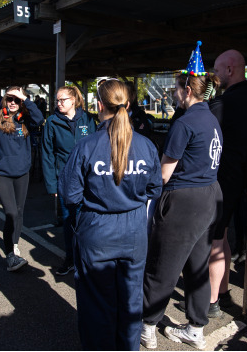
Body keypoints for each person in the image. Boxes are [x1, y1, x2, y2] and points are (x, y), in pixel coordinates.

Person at [59, 79, 162, 350]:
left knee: (97, 307)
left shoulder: (86, 146)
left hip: (97, 231)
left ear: (99, 105)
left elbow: (70, 195)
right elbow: (155, 187)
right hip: (135, 231)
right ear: (128, 105)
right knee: (130, 303)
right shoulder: (146, 146)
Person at [141, 41, 223, 350]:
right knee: (197, 266)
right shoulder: (212, 119)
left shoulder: (185, 122)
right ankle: (195, 328)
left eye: (177, 89)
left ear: (187, 90)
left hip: (184, 201)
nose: (175, 94)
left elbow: (163, 174)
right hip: (210, 197)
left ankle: (147, 327)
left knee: (163, 266)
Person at [198, 49, 247, 318]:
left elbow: (201, 125)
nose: (215, 75)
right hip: (236, 179)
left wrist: (204, 96)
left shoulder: (226, 102)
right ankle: (221, 291)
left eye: (218, 70)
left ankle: (211, 302)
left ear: (230, 70)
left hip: (222, 181)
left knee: (214, 242)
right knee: (223, 238)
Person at [0, 86, 44, 271]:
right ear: (4, 99)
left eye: (17, 100)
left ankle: (14, 244)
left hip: (22, 173)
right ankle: (10, 254)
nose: (13, 103)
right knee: (11, 213)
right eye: (10, 98)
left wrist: (25, 99)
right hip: (3, 175)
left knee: (19, 211)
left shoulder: (25, 118)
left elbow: (40, 119)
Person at [42, 85, 96, 276]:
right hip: (65, 180)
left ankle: (86, 257)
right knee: (68, 220)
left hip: (88, 179)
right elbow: (47, 154)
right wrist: (52, 184)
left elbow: (97, 147)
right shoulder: (52, 122)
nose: (59, 103)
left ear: (73, 100)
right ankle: (71, 258)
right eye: (57, 100)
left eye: (62, 99)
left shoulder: (88, 119)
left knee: (88, 219)